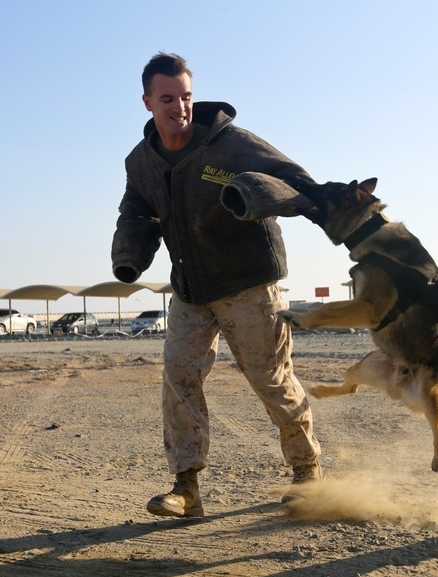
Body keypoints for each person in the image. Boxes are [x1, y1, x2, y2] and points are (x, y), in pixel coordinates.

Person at [111, 52, 322, 519]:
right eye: (168, 99)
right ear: (147, 101)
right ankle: (186, 487)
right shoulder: (141, 161)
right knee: (179, 375)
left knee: (270, 378)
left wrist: (270, 197)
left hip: (249, 282)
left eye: (185, 97)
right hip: (190, 286)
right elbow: (137, 210)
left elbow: (296, 180)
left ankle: (307, 471)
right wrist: (129, 254)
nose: (179, 107)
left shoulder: (231, 146)